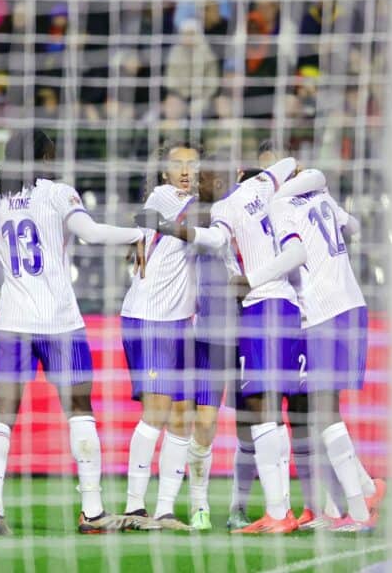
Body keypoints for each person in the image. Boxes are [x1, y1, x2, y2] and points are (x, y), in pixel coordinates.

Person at [0, 128, 147, 535]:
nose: (53, 162)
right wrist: (139, 233)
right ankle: (91, 511)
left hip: (11, 321)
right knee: (79, 409)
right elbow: (90, 234)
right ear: (42, 158)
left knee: (3, 411)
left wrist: (7, 274)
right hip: (59, 322)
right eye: (50, 155)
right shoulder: (58, 193)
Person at [145, 157, 323, 534]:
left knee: (264, 415)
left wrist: (172, 231)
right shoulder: (240, 196)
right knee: (247, 418)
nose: (202, 182)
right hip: (224, 330)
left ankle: (277, 511)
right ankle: (209, 506)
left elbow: (218, 238)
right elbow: (290, 163)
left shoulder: (233, 202)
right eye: (201, 178)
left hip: (257, 313)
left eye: (209, 175)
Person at [241, 164, 387, 532]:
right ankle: (358, 496)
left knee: (323, 412)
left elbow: (297, 254)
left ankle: (359, 510)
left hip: (324, 310)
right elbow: (353, 226)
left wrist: (251, 279)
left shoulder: (279, 204)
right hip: (351, 303)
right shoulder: (320, 196)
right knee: (319, 413)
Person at [122, 140, 202, 531]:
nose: (186, 171)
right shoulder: (165, 197)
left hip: (181, 321)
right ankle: (135, 505)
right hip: (150, 318)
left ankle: (166, 508)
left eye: (193, 163)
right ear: (164, 172)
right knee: (156, 412)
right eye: (178, 164)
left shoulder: (193, 203)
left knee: (183, 415)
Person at [184, 163, 242, 531]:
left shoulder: (236, 212)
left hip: (245, 331)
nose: (194, 182)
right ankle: (199, 504)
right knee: (204, 422)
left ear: (218, 182)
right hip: (206, 335)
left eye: (201, 177)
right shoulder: (190, 215)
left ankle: (241, 507)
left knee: (256, 424)